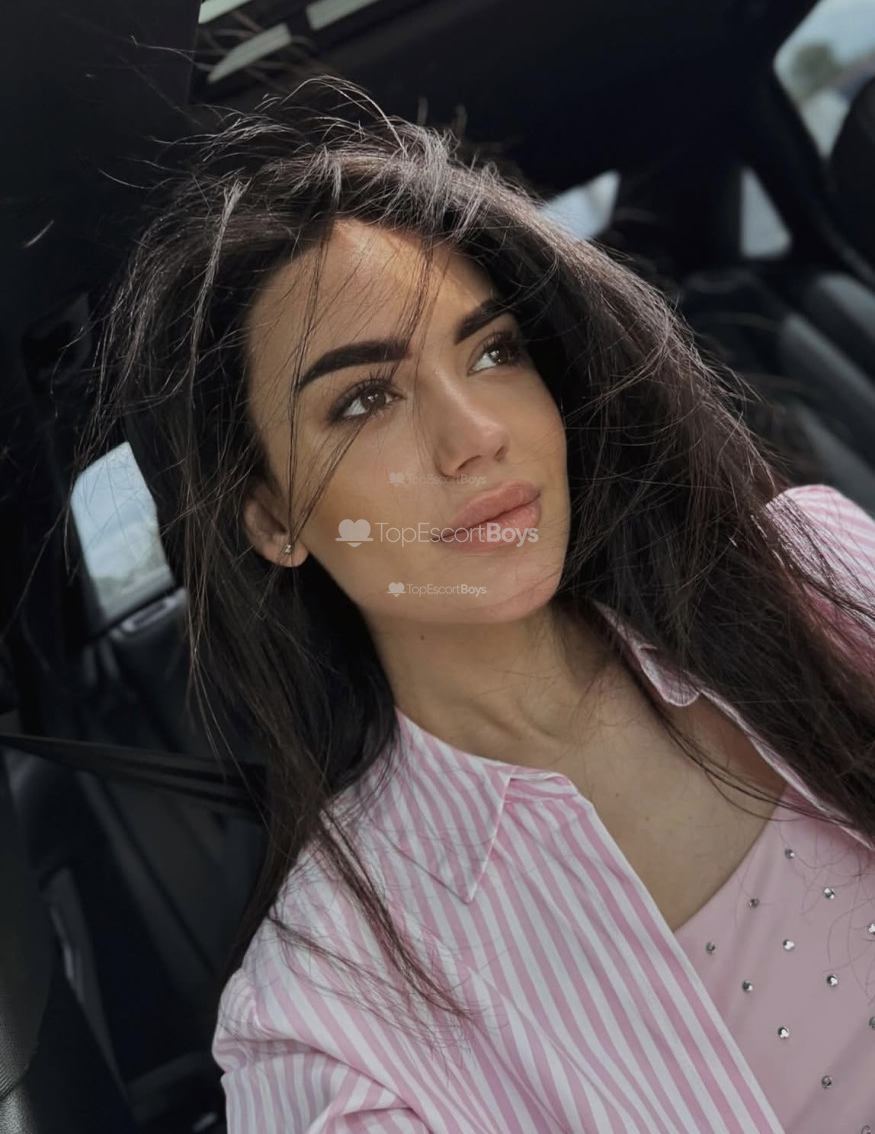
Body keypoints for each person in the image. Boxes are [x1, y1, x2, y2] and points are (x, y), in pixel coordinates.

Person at [78, 75, 875, 1132]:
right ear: (270, 518)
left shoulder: (808, 575)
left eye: (493, 352)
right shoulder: (319, 1005)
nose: (477, 435)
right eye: (364, 399)